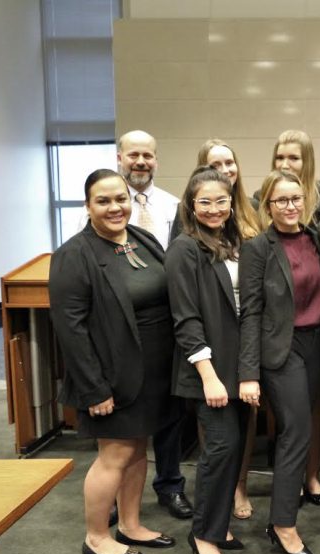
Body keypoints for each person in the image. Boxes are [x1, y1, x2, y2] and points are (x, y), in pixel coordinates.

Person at [49, 168, 178, 554]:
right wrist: (94, 388)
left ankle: (131, 524)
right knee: (115, 455)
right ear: (88, 206)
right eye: (103, 201)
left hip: (152, 372)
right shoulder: (74, 255)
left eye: (120, 198)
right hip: (112, 376)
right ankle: (97, 536)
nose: (115, 207)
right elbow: (70, 330)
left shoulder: (142, 239)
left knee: (138, 449)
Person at [238, 170, 320, 554]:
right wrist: (248, 372)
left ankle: (282, 518)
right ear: (268, 205)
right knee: (295, 431)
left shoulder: (316, 238)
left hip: (317, 347)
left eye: (296, 198)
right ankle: (282, 524)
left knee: (308, 426)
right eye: (281, 200)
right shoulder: (258, 247)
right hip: (282, 349)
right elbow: (251, 312)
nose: (291, 206)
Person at [165, 167, 251, 554]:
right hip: (209, 371)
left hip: (239, 368)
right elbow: (186, 318)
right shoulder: (184, 248)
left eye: (221, 201)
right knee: (219, 448)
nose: (214, 209)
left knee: (233, 448)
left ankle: (218, 525)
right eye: (205, 202)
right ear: (191, 205)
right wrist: (209, 375)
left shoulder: (234, 241)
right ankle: (203, 536)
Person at [115, 130, 192, 521]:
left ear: (157, 160)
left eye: (147, 155)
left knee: (168, 409)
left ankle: (170, 484)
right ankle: (117, 495)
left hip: (166, 319)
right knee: (126, 413)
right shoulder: (106, 204)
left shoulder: (172, 205)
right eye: (133, 155)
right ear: (120, 158)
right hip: (122, 322)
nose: (140, 162)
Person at [191, 138, 261, 521]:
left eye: (228, 163)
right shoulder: (190, 235)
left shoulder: (247, 217)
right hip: (209, 346)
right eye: (214, 164)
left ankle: (240, 485)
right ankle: (215, 510)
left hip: (245, 343)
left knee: (240, 427)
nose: (223, 170)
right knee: (218, 437)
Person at [272, 130, 320, 504]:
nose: (285, 164)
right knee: (291, 414)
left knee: (317, 406)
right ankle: (290, 481)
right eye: (280, 157)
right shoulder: (270, 200)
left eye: (293, 158)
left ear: (307, 161)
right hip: (284, 333)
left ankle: (312, 475)